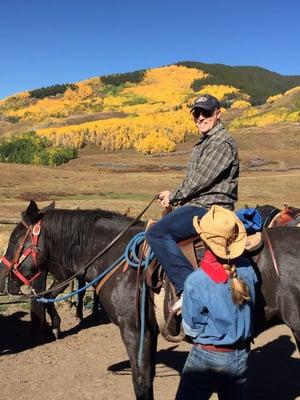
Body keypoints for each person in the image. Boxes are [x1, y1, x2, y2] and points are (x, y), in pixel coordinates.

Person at [145, 94, 239, 310]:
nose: (200, 117)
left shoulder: (221, 142)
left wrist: (174, 195)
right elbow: (194, 181)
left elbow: (201, 179)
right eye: (197, 113)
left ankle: (188, 288)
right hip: (198, 205)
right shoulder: (205, 143)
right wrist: (175, 196)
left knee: (156, 233)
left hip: (209, 209)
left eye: (206, 112)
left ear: (218, 113)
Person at [175, 205, 258, 400]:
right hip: (241, 356)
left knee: (158, 235)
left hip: (206, 358)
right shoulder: (248, 271)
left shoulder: (196, 281)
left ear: (204, 240)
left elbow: (191, 327)